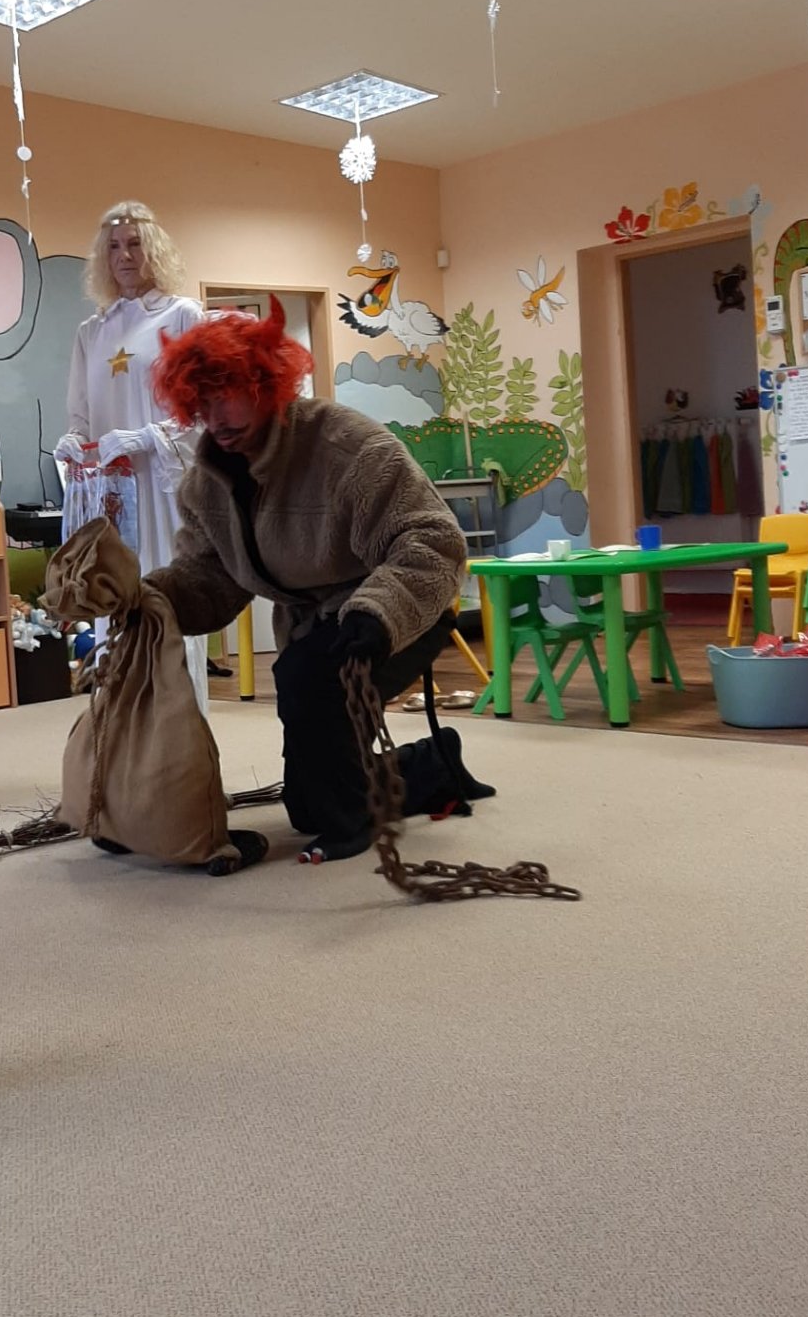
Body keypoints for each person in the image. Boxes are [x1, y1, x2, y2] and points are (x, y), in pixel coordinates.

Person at [146, 301, 491, 863]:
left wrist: (377, 612)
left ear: (267, 384)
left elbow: (434, 540)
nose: (216, 416)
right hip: (316, 628)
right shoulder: (204, 485)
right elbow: (211, 579)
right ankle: (433, 764)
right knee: (307, 804)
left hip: (399, 611)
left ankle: (352, 825)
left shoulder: (348, 445)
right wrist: (151, 599)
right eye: (202, 401)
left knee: (308, 682)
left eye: (228, 394)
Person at [54, 202, 208, 707]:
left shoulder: (182, 316)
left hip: (163, 489)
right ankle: (120, 730)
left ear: (153, 249)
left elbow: (203, 409)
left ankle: (182, 730)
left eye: (136, 244)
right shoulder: (91, 331)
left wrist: (147, 437)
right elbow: (80, 413)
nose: (125, 256)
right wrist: (73, 440)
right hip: (110, 495)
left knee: (166, 604)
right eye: (115, 247)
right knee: (112, 605)